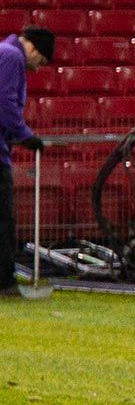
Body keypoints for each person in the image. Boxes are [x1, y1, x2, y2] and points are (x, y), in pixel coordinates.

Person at [1, 26, 55, 299]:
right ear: (32, 48)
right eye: (41, 61)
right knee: (3, 220)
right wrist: (26, 136)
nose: (37, 68)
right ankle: (4, 285)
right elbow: (5, 102)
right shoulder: (12, 57)